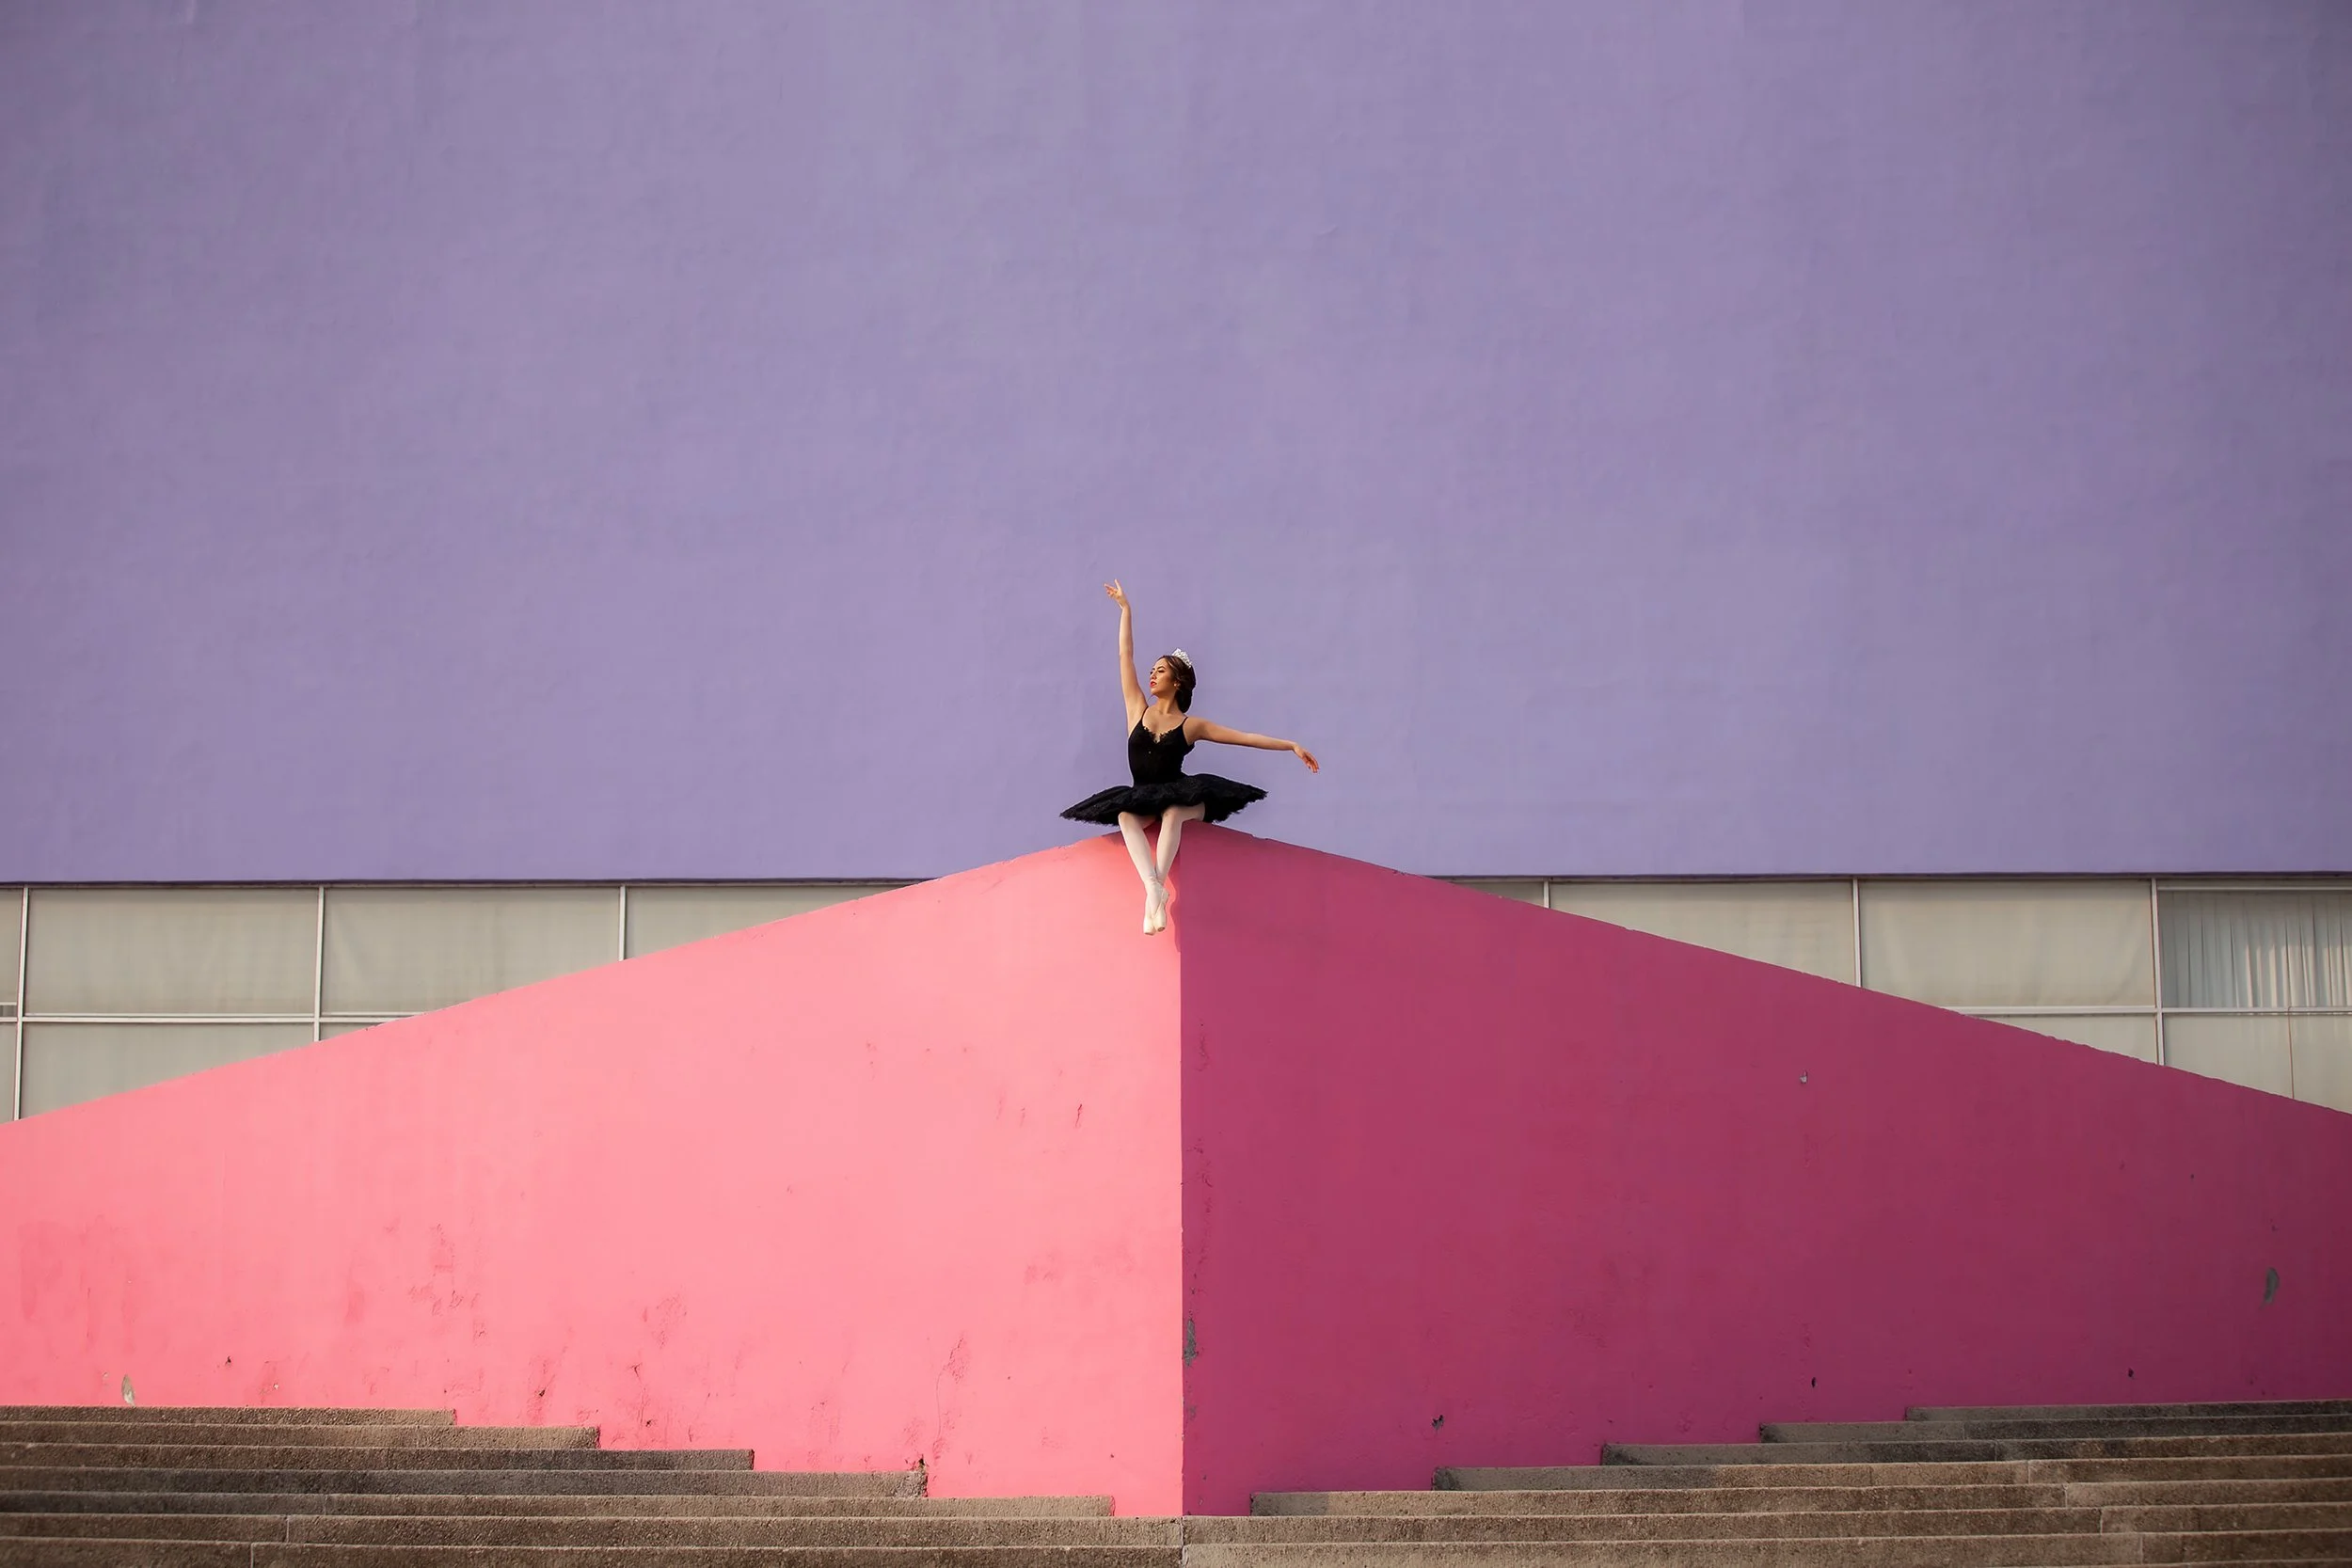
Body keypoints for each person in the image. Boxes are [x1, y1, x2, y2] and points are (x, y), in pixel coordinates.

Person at [1062, 581, 1319, 933]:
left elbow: (1242, 737)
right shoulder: (1137, 708)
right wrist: (1126, 610)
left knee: (1173, 813)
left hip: (1184, 795)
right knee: (1125, 815)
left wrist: (1290, 744)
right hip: (1143, 796)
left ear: (1178, 682)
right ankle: (1155, 889)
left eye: (1161, 670)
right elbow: (1125, 657)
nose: (1152, 674)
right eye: (1152, 670)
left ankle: (1156, 892)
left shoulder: (1190, 725)